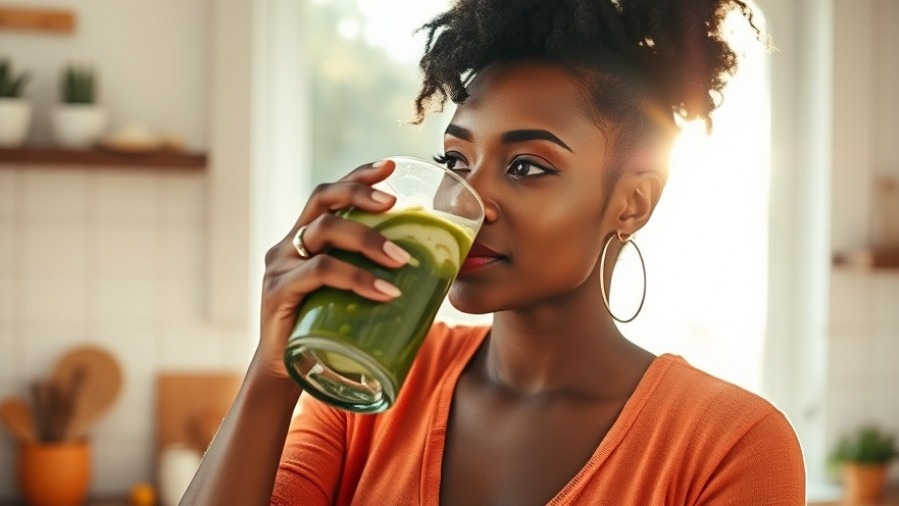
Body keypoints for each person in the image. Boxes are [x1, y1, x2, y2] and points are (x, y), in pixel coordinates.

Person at [184, 0, 806, 504]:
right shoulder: (366, 384)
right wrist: (271, 375)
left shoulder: (731, 444)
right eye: (455, 161)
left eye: (528, 166)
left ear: (632, 203)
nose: (469, 202)